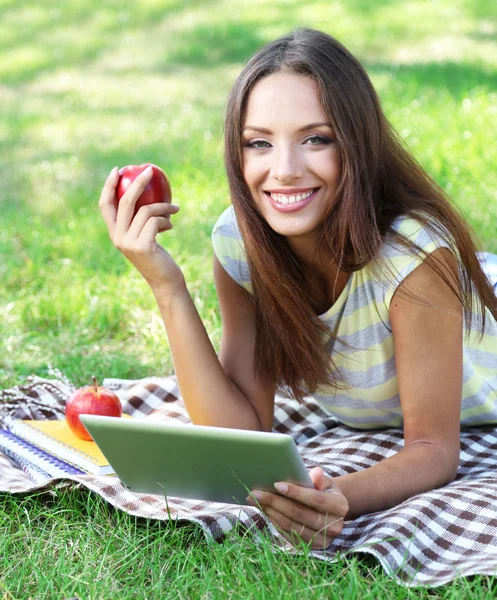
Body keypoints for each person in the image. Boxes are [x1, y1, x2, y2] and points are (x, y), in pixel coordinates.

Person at [98, 28, 497, 549]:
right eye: (259, 143)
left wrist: (337, 495)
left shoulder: (413, 260)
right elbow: (240, 433)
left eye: (316, 138)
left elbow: (433, 448)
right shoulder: (242, 244)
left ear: (356, 143)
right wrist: (165, 284)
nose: (283, 171)